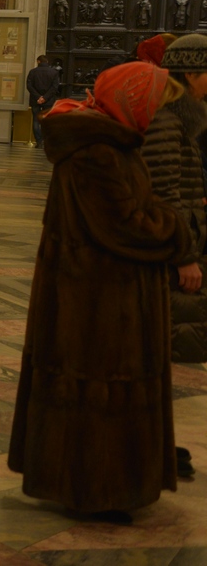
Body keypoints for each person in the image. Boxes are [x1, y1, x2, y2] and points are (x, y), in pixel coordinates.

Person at [9, 61, 194, 525]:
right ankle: (97, 488)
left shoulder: (111, 143)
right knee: (99, 393)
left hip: (99, 294)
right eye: (153, 104)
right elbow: (128, 225)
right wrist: (177, 233)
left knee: (91, 391)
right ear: (133, 101)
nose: (155, 115)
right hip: (98, 301)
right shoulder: (98, 153)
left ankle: (94, 482)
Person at [144, 34, 207, 479]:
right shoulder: (167, 122)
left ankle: (159, 440)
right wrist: (185, 254)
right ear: (191, 74)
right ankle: (152, 443)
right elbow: (164, 195)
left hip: (181, 245)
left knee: (162, 350)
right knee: (156, 347)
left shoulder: (183, 119)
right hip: (171, 255)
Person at [25, 55, 60, 149]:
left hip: (35, 100)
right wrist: (45, 98)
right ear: (47, 61)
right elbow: (55, 87)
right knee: (47, 121)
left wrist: (38, 97)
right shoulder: (54, 72)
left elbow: (29, 86)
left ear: (38, 61)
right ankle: (47, 141)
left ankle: (39, 141)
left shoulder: (33, 72)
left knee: (36, 120)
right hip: (49, 100)